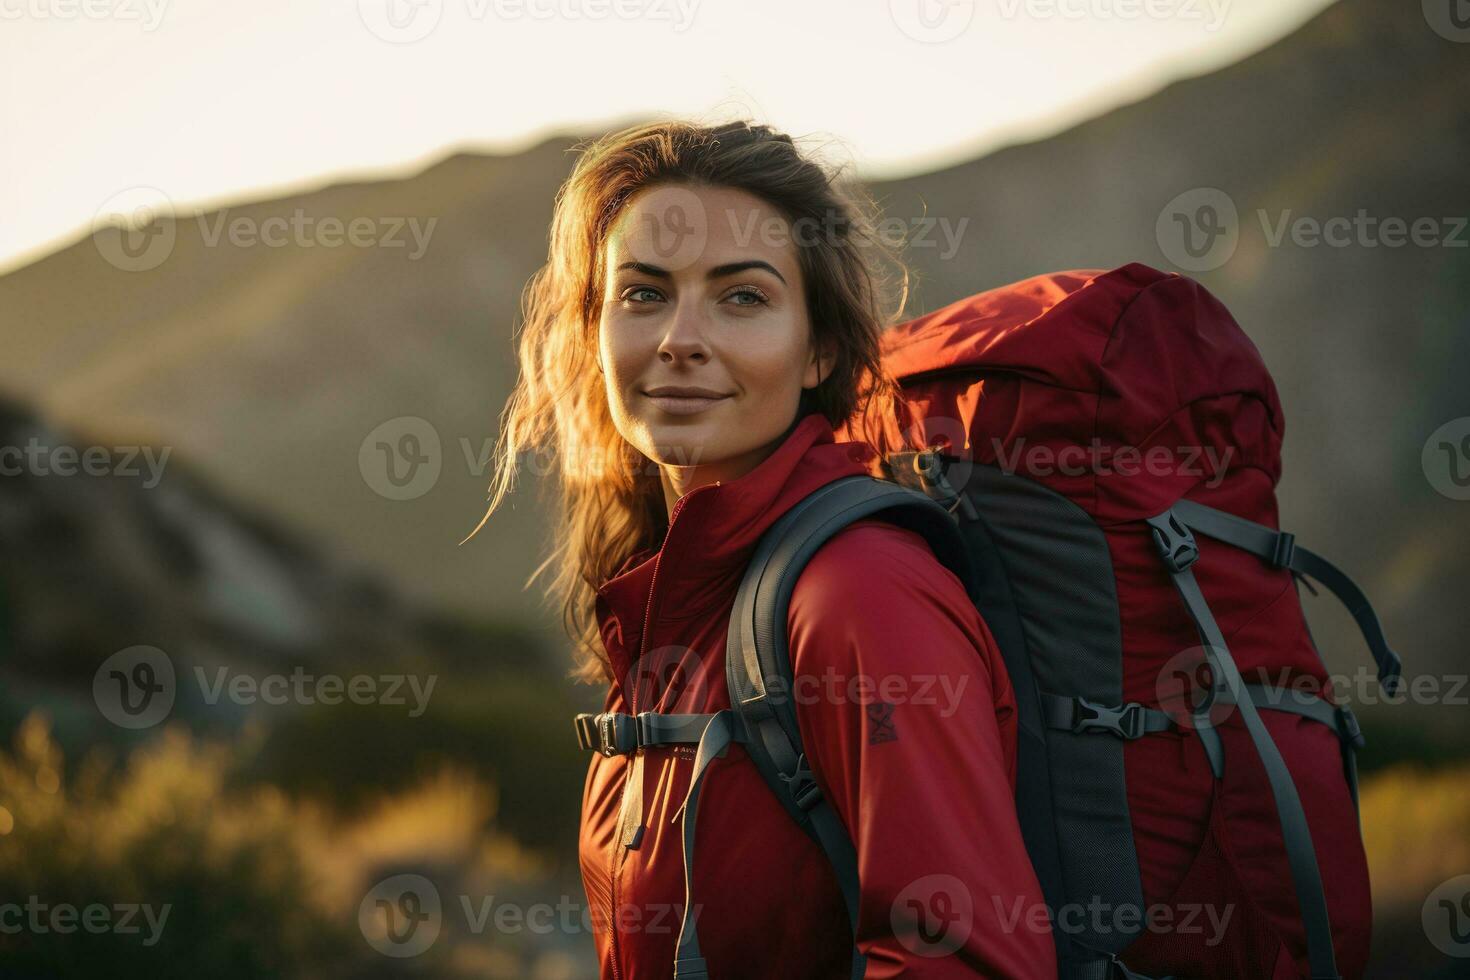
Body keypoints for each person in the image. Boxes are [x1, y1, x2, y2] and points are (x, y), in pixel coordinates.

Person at [472, 118, 1057, 978]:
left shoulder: (859, 593)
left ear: (819, 347)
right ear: (595, 329)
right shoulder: (679, 595)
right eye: (644, 294)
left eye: (742, 297)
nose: (680, 337)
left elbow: (964, 962)